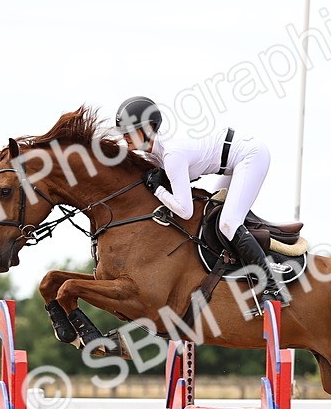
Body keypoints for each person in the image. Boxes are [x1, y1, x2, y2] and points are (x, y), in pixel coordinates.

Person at [114, 95, 290, 307]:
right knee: (209, 214)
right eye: (122, 131)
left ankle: (272, 284)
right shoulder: (154, 153)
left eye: (129, 130)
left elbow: (185, 210)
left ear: (149, 129)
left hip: (250, 156)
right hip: (231, 162)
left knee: (228, 222)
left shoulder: (172, 154)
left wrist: (158, 189)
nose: (124, 136)